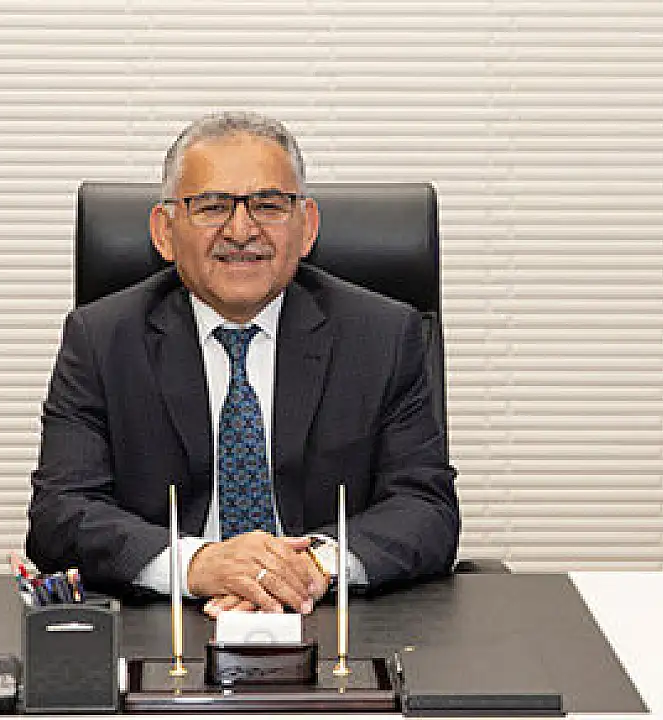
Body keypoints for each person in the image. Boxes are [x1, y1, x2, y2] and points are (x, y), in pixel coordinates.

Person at [26, 111, 460, 615]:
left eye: (268, 206)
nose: (241, 230)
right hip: (167, 620)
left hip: (328, 619)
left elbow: (425, 508)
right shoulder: (101, 339)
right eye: (212, 206)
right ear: (164, 232)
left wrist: (312, 566)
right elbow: (60, 514)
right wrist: (197, 564)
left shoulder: (384, 336)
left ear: (307, 227)